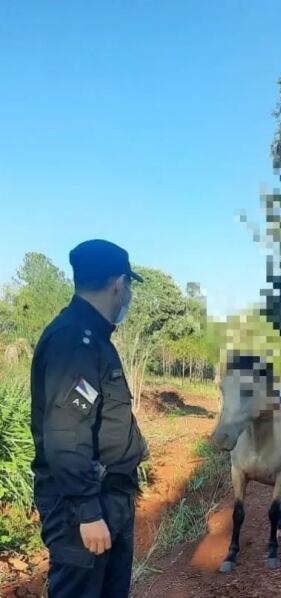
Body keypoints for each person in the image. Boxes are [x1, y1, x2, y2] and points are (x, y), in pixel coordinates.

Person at [30, 239, 149, 598]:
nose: (127, 293)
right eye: (128, 285)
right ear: (118, 283)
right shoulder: (75, 341)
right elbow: (65, 434)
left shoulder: (93, 339)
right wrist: (87, 513)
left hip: (105, 499)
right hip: (83, 509)